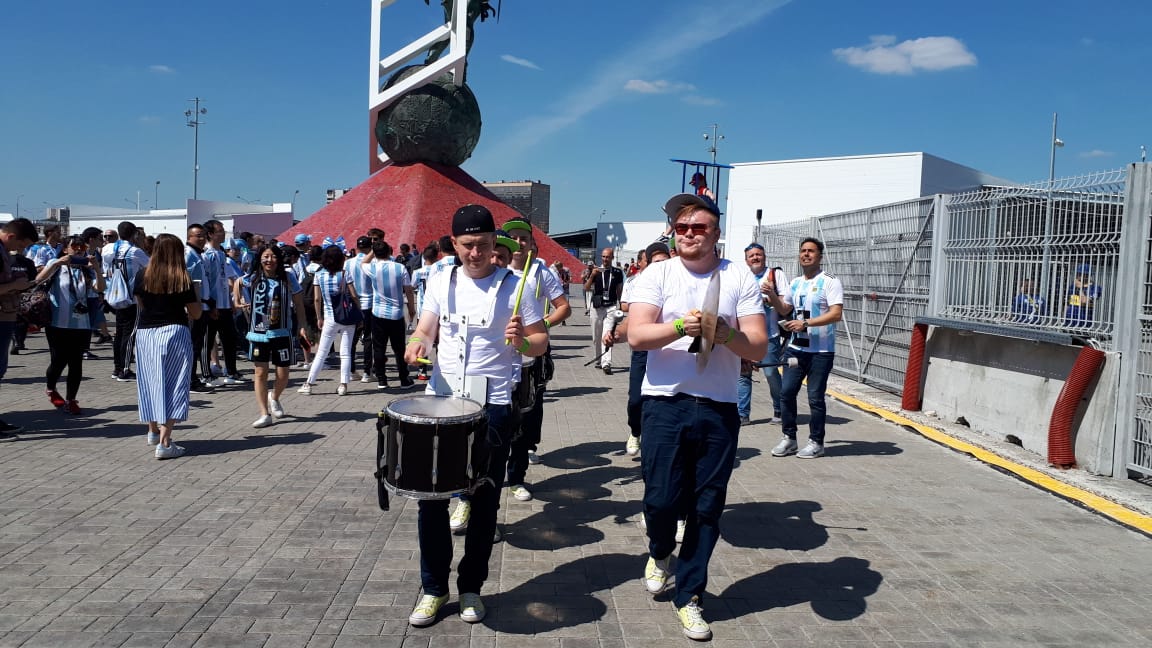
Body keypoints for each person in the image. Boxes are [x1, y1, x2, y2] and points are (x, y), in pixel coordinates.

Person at [627, 192, 767, 641]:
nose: (690, 234)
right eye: (683, 227)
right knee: (662, 500)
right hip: (665, 403)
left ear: (716, 234)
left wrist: (726, 335)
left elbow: (758, 346)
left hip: (719, 405)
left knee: (706, 508)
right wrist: (680, 328)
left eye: (699, 227)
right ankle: (659, 550)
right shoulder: (657, 273)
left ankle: (690, 596)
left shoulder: (738, 277)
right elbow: (637, 336)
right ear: (673, 232)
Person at [402, 204, 548, 628]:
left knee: (484, 503)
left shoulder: (515, 285)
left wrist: (523, 342)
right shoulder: (439, 280)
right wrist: (417, 342)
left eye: (483, 245)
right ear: (454, 244)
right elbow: (427, 327)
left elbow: (539, 342)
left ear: (494, 243)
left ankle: (471, 588)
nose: (476, 253)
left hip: (493, 409)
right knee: (430, 501)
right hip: (442, 406)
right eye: (467, 245)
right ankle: (433, 588)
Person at [502, 217, 571, 502]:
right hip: (497, 357)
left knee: (527, 413)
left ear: (532, 243)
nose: (518, 243)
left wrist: (541, 326)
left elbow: (563, 308)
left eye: (523, 238)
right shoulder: (494, 269)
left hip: (531, 352)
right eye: (512, 238)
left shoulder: (540, 271)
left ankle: (517, 473)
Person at [766, 237, 844, 460]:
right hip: (795, 348)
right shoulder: (796, 282)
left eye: (811, 251)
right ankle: (789, 438)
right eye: (803, 251)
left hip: (820, 352)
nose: (806, 254)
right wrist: (772, 295)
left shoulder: (830, 281)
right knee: (786, 392)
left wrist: (807, 323)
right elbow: (784, 308)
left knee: (815, 398)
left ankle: (816, 442)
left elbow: (836, 313)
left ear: (819, 256)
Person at [133, 234, 202, 459]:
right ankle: (164, 442)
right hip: (174, 331)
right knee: (175, 384)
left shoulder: (142, 275)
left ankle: (153, 430)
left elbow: (141, 305)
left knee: (150, 380)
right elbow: (196, 313)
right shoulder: (182, 277)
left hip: (146, 333)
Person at [606, 242, 671, 457]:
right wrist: (616, 335)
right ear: (647, 264)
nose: (661, 266)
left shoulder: (678, 284)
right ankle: (635, 432)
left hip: (669, 352)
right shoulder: (639, 283)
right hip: (643, 350)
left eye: (665, 261)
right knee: (636, 399)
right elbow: (631, 318)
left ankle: (657, 443)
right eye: (656, 262)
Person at [235, 245, 308, 428]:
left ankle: (274, 396)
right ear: (260, 258)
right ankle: (264, 413)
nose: (269, 260)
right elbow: (237, 282)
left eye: (273, 256)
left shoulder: (288, 277)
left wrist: (303, 326)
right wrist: (237, 301)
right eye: (266, 257)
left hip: (281, 331)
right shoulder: (253, 277)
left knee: (283, 374)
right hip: (258, 333)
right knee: (260, 372)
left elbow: (299, 303)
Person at [36, 236, 107, 415]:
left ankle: (71, 399)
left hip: (81, 323)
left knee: (76, 363)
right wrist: (57, 263)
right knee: (58, 361)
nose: (79, 250)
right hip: (57, 322)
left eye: (82, 247)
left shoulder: (85, 268)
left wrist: (97, 269)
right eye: (74, 246)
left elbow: (100, 288)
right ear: (66, 249)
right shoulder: (56, 263)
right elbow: (38, 280)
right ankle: (51, 388)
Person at [736, 243, 789, 426]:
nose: (755, 258)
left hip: (769, 335)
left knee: (770, 373)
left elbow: (785, 303)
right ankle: (743, 414)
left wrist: (770, 296)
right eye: (751, 256)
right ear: (746, 260)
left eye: (758, 254)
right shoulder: (742, 277)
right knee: (743, 374)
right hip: (745, 336)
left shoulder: (775, 275)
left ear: (764, 256)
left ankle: (779, 409)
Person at [299, 246, 360, 396]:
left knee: (321, 352)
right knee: (345, 353)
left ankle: (309, 383)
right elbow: (354, 295)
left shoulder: (319, 275)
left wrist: (319, 317)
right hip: (347, 317)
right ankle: (343, 385)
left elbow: (317, 298)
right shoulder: (345, 274)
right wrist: (359, 312)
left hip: (330, 317)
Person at [0, 218, 39, 438]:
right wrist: (14, 285)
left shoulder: (4, 252)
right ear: (12, 236)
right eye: (21, 245)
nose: (20, 251)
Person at [363, 240, 416, 389]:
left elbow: (362, 262)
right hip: (396, 314)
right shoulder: (400, 268)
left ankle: (381, 379)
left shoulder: (372, 268)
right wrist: (411, 309)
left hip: (378, 313)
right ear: (390, 252)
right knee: (399, 348)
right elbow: (409, 290)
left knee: (379, 347)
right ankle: (404, 378)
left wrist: (372, 250)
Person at [102, 221, 150, 381]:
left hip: (116, 295)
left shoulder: (110, 249)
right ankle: (125, 369)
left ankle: (117, 367)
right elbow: (151, 267)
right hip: (132, 298)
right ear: (134, 234)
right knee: (130, 335)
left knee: (120, 333)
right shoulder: (135, 251)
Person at [202, 220, 243, 386]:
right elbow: (206, 282)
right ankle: (206, 374)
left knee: (229, 339)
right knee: (209, 339)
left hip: (225, 304)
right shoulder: (206, 255)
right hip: (212, 306)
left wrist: (232, 301)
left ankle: (231, 372)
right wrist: (211, 305)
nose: (223, 233)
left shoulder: (220, 254)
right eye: (219, 231)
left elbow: (227, 280)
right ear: (210, 234)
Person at [185, 224, 215, 394]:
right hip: (195, 306)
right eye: (198, 236)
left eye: (204, 236)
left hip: (203, 304)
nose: (202, 239)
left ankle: (193, 377)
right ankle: (190, 380)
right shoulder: (188, 254)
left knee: (197, 344)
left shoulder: (198, 254)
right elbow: (187, 281)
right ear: (189, 237)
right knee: (193, 345)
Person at [584, 247, 625, 374]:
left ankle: (606, 363)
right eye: (603, 257)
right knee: (596, 336)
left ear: (612, 258)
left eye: (608, 257)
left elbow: (619, 290)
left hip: (611, 306)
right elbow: (586, 288)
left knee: (607, 334)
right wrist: (592, 276)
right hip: (597, 307)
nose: (605, 259)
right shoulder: (596, 271)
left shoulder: (617, 272)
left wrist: (621, 304)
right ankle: (599, 359)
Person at [1064, 263, 1101, 328]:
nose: (1077, 276)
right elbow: (1067, 303)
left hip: (1084, 324)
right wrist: (1063, 318)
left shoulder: (1095, 288)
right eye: (1077, 274)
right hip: (1069, 322)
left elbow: (1085, 301)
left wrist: (1080, 288)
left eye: (1080, 274)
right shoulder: (1072, 286)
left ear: (1087, 275)